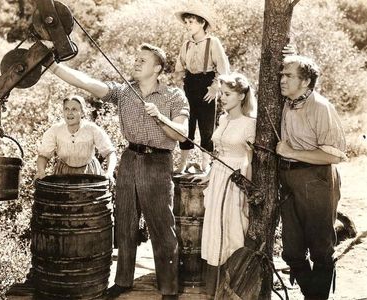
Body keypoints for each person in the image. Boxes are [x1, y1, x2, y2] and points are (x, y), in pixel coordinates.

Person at [46, 43, 189, 300]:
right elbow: (88, 83)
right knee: (124, 222)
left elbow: (181, 134)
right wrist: (53, 66)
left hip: (158, 162)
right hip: (129, 158)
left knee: (161, 225)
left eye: (142, 60)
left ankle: (168, 287)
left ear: (157, 68)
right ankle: (123, 280)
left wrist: (159, 116)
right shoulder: (123, 92)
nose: (136, 62)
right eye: (136, 58)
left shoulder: (174, 96)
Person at [276, 55, 346, 300]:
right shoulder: (286, 102)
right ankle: (313, 296)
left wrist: (292, 152)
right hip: (288, 179)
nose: (282, 80)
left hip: (317, 179)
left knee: (320, 249)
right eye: (282, 75)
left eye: (288, 76)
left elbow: (334, 156)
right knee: (292, 251)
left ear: (305, 82)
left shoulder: (321, 107)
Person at [192, 72, 257, 299]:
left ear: (241, 96)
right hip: (219, 176)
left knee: (232, 228)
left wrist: (244, 186)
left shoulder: (250, 124)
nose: (222, 98)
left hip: (236, 179)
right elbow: (218, 152)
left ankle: (234, 285)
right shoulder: (223, 119)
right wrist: (210, 174)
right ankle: (214, 289)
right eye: (221, 94)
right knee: (215, 228)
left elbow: (250, 158)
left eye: (227, 94)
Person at [174, 5, 230, 174]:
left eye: (191, 21)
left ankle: (206, 164)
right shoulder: (186, 44)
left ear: (201, 23)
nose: (188, 25)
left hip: (207, 85)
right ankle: (183, 163)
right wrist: (180, 86)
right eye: (186, 22)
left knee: (207, 126)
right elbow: (179, 68)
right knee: (187, 124)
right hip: (190, 85)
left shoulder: (212, 42)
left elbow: (224, 69)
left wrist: (215, 87)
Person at [35, 95, 117, 181]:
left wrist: (109, 172)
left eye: (74, 109)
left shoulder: (92, 129)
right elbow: (43, 156)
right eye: (66, 109)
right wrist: (41, 171)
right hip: (64, 174)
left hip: (89, 173)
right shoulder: (55, 130)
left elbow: (110, 152)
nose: (69, 113)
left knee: (89, 194)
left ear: (82, 112)